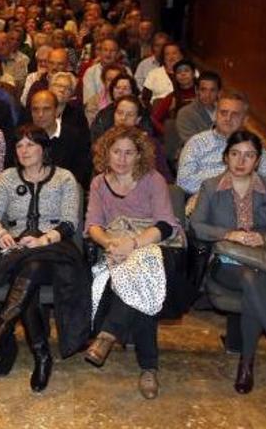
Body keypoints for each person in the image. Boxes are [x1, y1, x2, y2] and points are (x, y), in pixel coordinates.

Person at [190, 130, 266, 394]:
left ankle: (247, 364)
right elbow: (196, 226)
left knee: (254, 284)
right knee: (250, 280)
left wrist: (262, 237)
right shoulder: (210, 186)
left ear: (258, 160)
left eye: (249, 155)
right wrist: (228, 234)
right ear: (225, 157)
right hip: (227, 264)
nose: (241, 161)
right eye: (235, 154)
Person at [0, 124, 89, 392]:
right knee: (29, 267)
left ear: (44, 148)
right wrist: (1, 232)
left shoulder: (64, 178)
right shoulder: (7, 178)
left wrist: (42, 240)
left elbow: (69, 223)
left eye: (30, 144)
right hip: (17, 248)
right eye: (19, 145)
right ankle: (41, 355)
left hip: (56, 250)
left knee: (33, 263)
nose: (24, 150)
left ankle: (2, 328)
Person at [85, 125, 183, 399]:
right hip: (115, 248)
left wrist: (133, 244)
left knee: (141, 272)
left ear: (140, 155)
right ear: (107, 153)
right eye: (116, 151)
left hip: (152, 247)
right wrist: (109, 244)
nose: (122, 158)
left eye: (129, 152)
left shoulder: (153, 180)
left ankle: (107, 335)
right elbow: (93, 224)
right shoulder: (98, 183)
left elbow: (165, 223)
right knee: (141, 292)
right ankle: (148, 368)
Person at [177, 91, 266, 196]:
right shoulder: (196, 143)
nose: (228, 118)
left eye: (235, 114)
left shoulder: (253, 146)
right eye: (223, 113)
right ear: (215, 115)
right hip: (206, 201)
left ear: (245, 120)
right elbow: (184, 181)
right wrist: (224, 183)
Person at [28, 89, 92, 190]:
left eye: (46, 109)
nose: (40, 114)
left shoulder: (75, 137)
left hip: (65, 190)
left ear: (57, 111)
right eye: (35, 109)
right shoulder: (23, 138)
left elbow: (81, 173)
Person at [176, 70, 221, 145]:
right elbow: (192, 145)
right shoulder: (185, 114)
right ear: (197, 90)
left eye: (212, 90)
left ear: (219, 92)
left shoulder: (225, 111)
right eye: (203, 90)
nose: (207, 95)